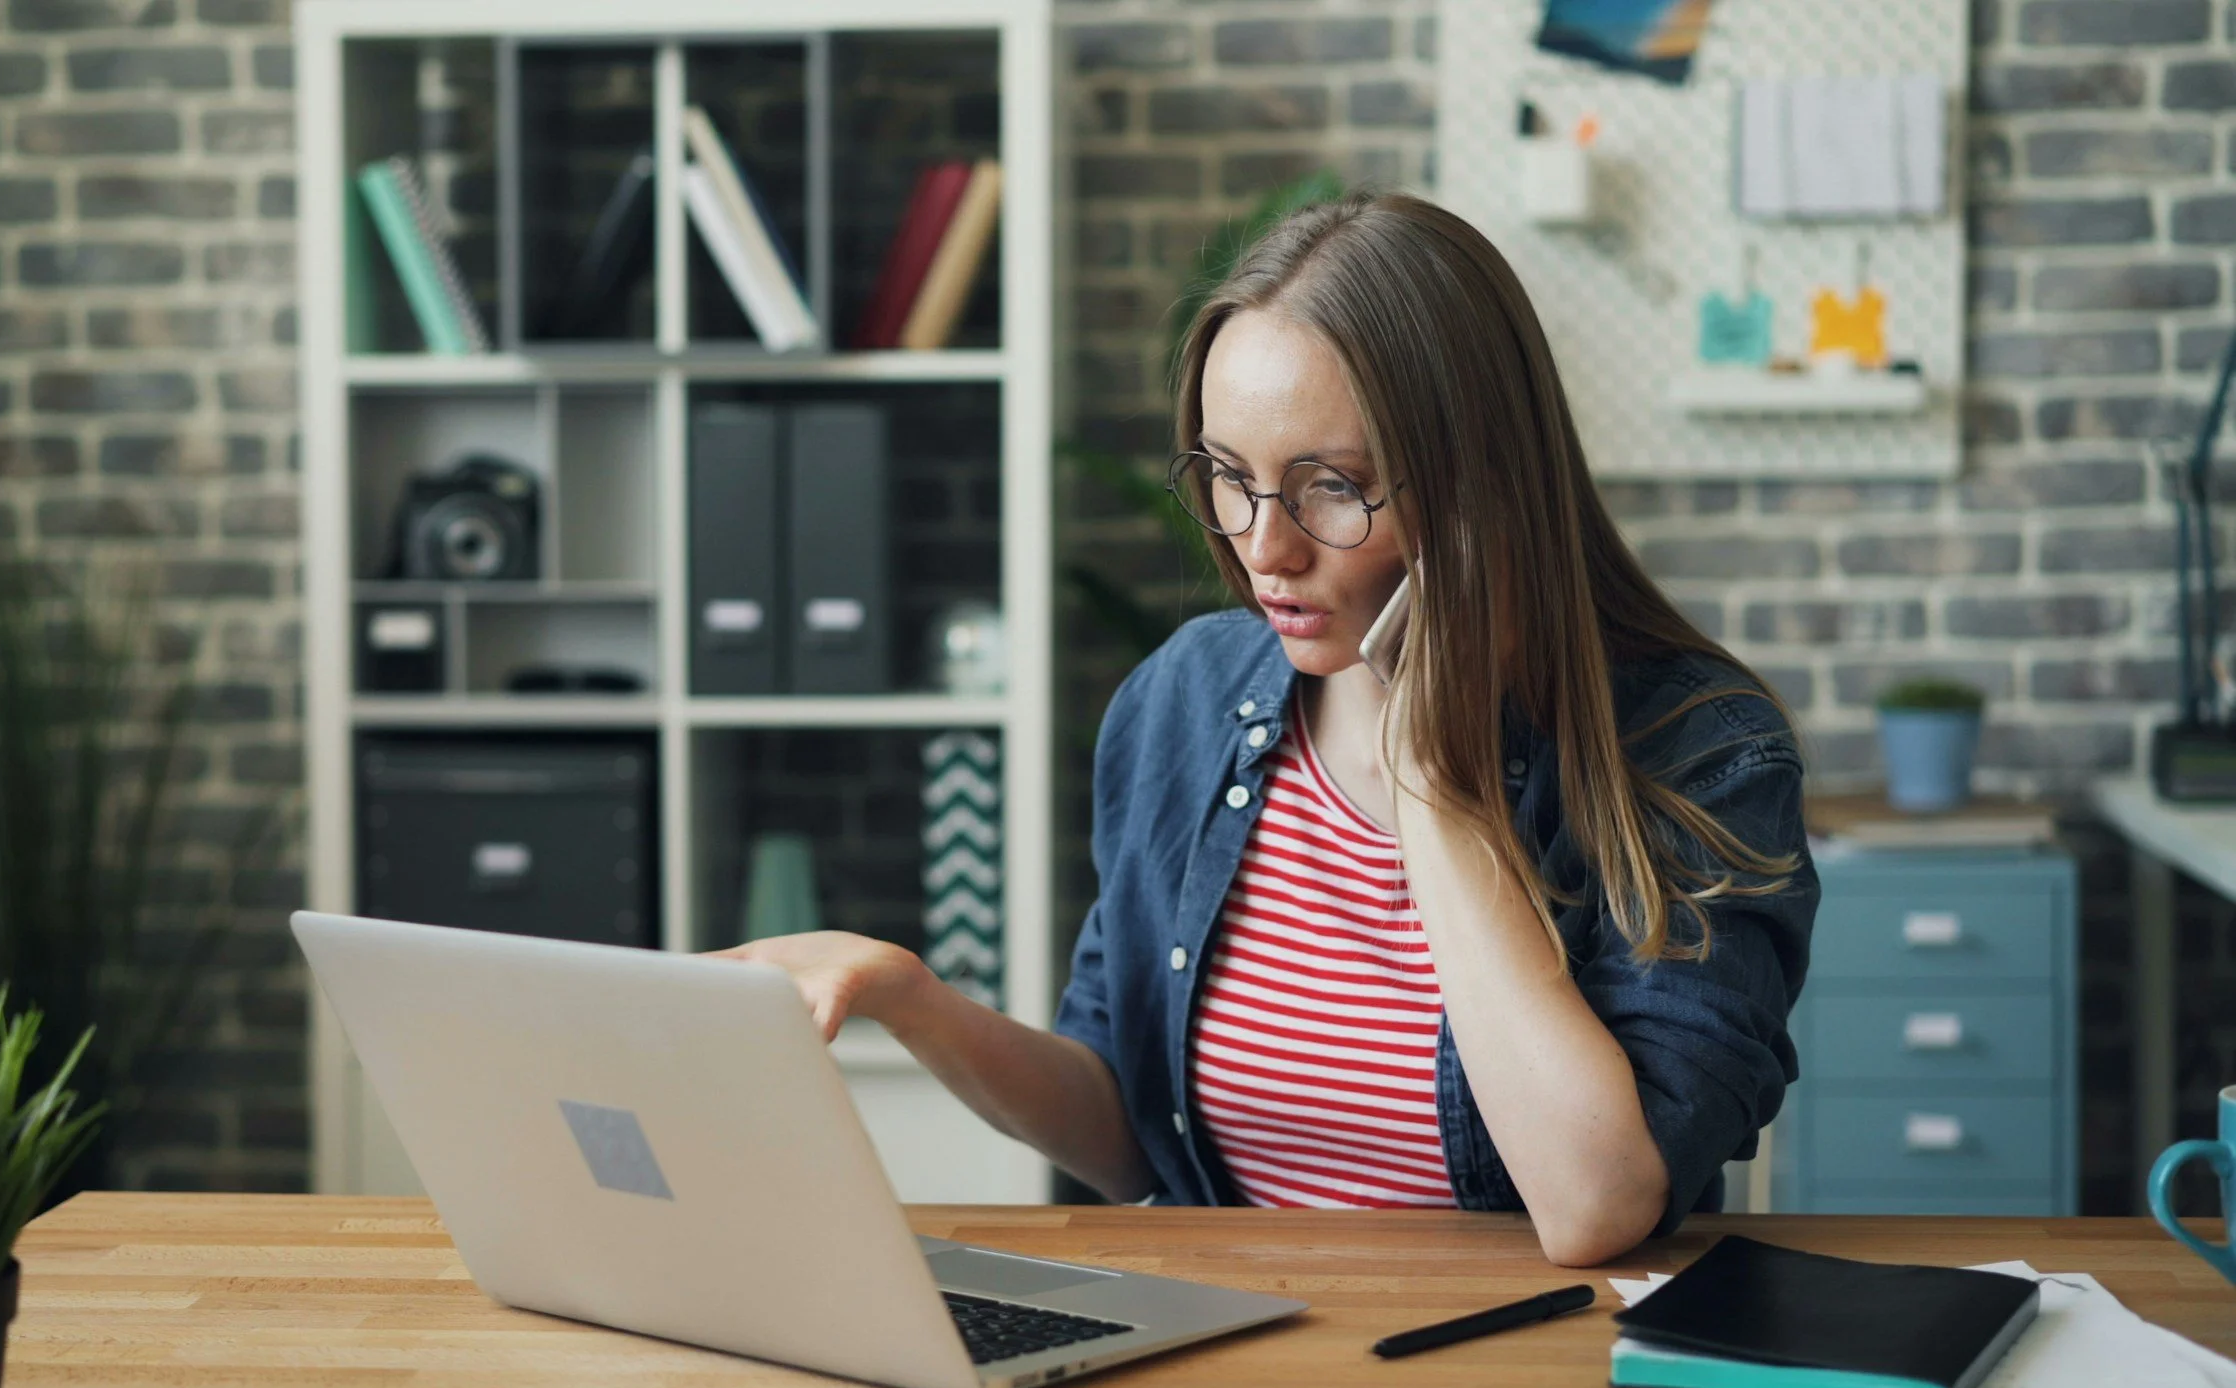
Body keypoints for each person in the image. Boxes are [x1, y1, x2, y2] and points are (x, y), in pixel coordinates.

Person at [716, 191, 1817, 1267]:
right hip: (1245, 1348)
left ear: (1483, 488)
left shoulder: (1693, 748)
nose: (1263, 548)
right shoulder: (1185, 696)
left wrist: (1431, 776)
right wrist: (912, 996)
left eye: (1330, 487)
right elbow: (1123, 1129)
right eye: (1228, 479)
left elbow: (1597, 1204)